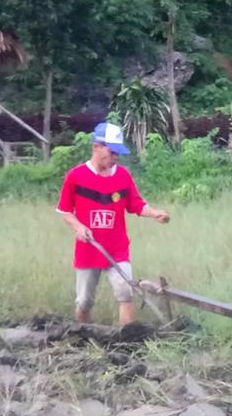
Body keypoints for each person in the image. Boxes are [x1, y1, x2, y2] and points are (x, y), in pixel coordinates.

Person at [56, 121, 169, 325]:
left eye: (118, 153)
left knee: (126, 292)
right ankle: (82, 338)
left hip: (117, 248)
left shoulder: (123, 176)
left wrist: (155, 213)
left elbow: (136, 204)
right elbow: (64, 211)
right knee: (84, 301)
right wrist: (78, 226)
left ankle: (128, 343)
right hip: (89, 248)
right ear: (96, 147)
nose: (115, 157)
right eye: (112, 152)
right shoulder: (76, 176)